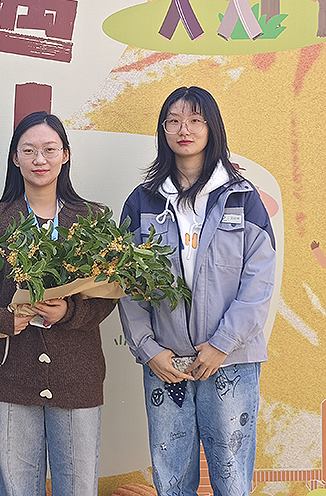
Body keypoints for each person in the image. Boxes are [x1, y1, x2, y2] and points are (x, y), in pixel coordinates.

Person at [118, 86, 276, 496]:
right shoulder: (143, 201)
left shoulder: (242, 197)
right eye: (173, 121)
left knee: (232, 477)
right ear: (163, 130)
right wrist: (148, 349)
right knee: (171, 478)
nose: (183, 129)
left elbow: (259, 279)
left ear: (212, 127)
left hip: (230, 360)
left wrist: (222, 343)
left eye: (195, 120)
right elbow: (127, 283)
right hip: (166, 362)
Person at [0, 112, 117, 496]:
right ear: (15, 158)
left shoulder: (91, 219)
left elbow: (108, 292)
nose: (39, 159)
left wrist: (70, 312)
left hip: (76, 374)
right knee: (16, 488)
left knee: (78, 487)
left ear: (66, 154)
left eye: (49, 149)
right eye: (29, 150)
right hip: (11, 375)